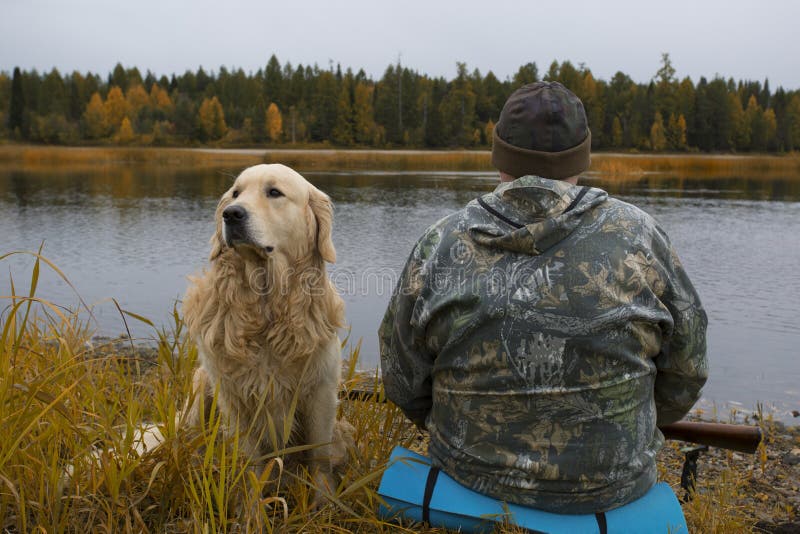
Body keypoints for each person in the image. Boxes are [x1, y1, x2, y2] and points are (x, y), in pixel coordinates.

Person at [378, 81, 708, 514]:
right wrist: (630, 422)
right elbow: (688, 370)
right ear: (582, 156)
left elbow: (401, 378)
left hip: (468, 480)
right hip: (612, 491)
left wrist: (454, 422)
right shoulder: (642, 237)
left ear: (499, 157)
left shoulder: (440, 242)